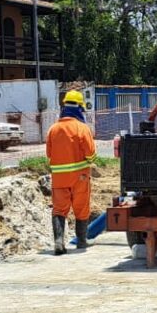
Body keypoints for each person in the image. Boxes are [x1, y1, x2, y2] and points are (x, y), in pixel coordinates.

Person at [46, 89, 96, 254]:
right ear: (80, 108)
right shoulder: (82, 128)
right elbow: (91, 154)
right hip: (80, 177)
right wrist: (88, 162)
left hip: (59, 179)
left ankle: (59, 243)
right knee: (81, 208)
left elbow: (49, 154)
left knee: (59, 210)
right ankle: (82, 241)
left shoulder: (53, 129)